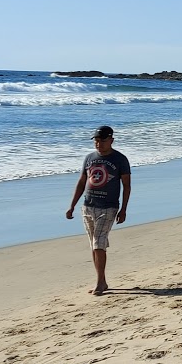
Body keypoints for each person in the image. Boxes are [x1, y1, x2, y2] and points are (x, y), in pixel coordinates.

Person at [66, 125, 132, 296]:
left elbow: (126, 185)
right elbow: (82, 182)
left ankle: (100, 283)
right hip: (88, 206)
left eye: (102, 140)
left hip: (108, 207)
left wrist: (123, 209)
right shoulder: (89, 158)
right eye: (96, 140)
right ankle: (102, 280)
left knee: (98, 243)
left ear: (111, 140)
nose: (98, 144)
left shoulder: (120, 159)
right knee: (94, 245)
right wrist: (72, 205)